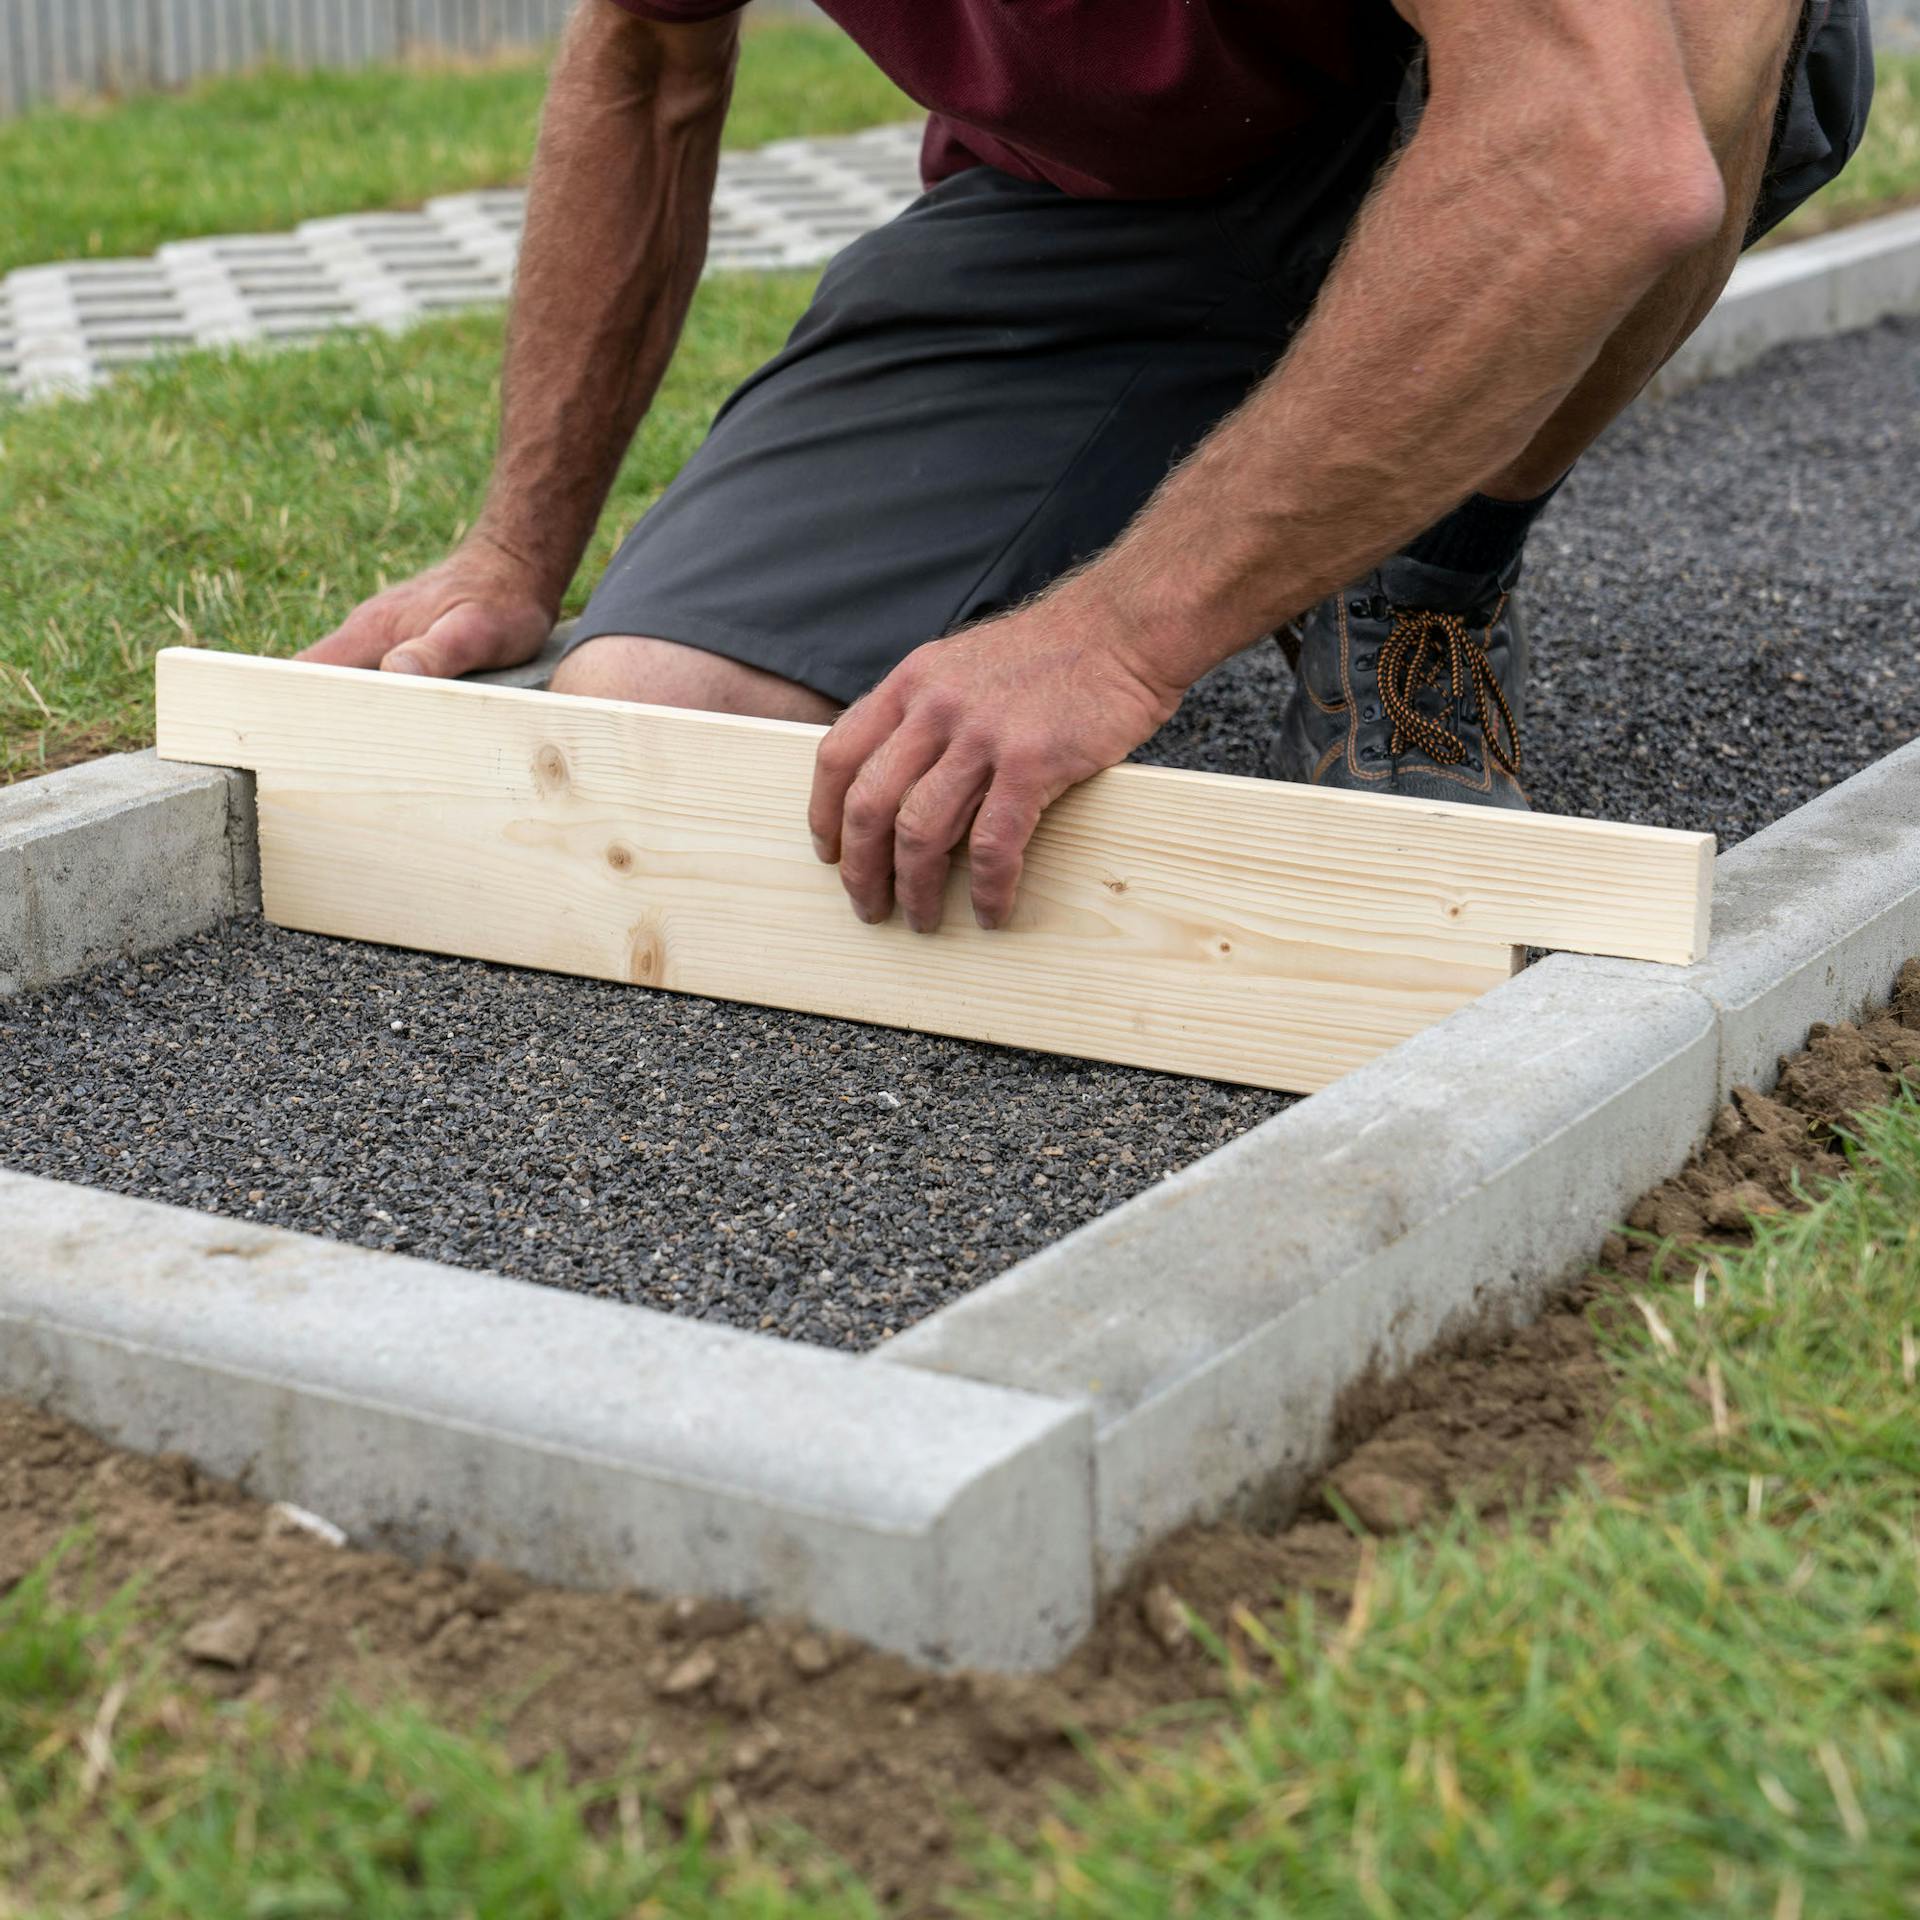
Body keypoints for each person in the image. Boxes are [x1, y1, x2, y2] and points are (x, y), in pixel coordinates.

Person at [304, 0, 1872, 933]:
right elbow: (648, 62)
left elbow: (1600, 151)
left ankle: (1426, 584)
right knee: (648, 714)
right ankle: (1263, 424)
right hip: (1120, 203)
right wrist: (516, 549)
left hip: (1531, 87)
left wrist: (1115, 636)